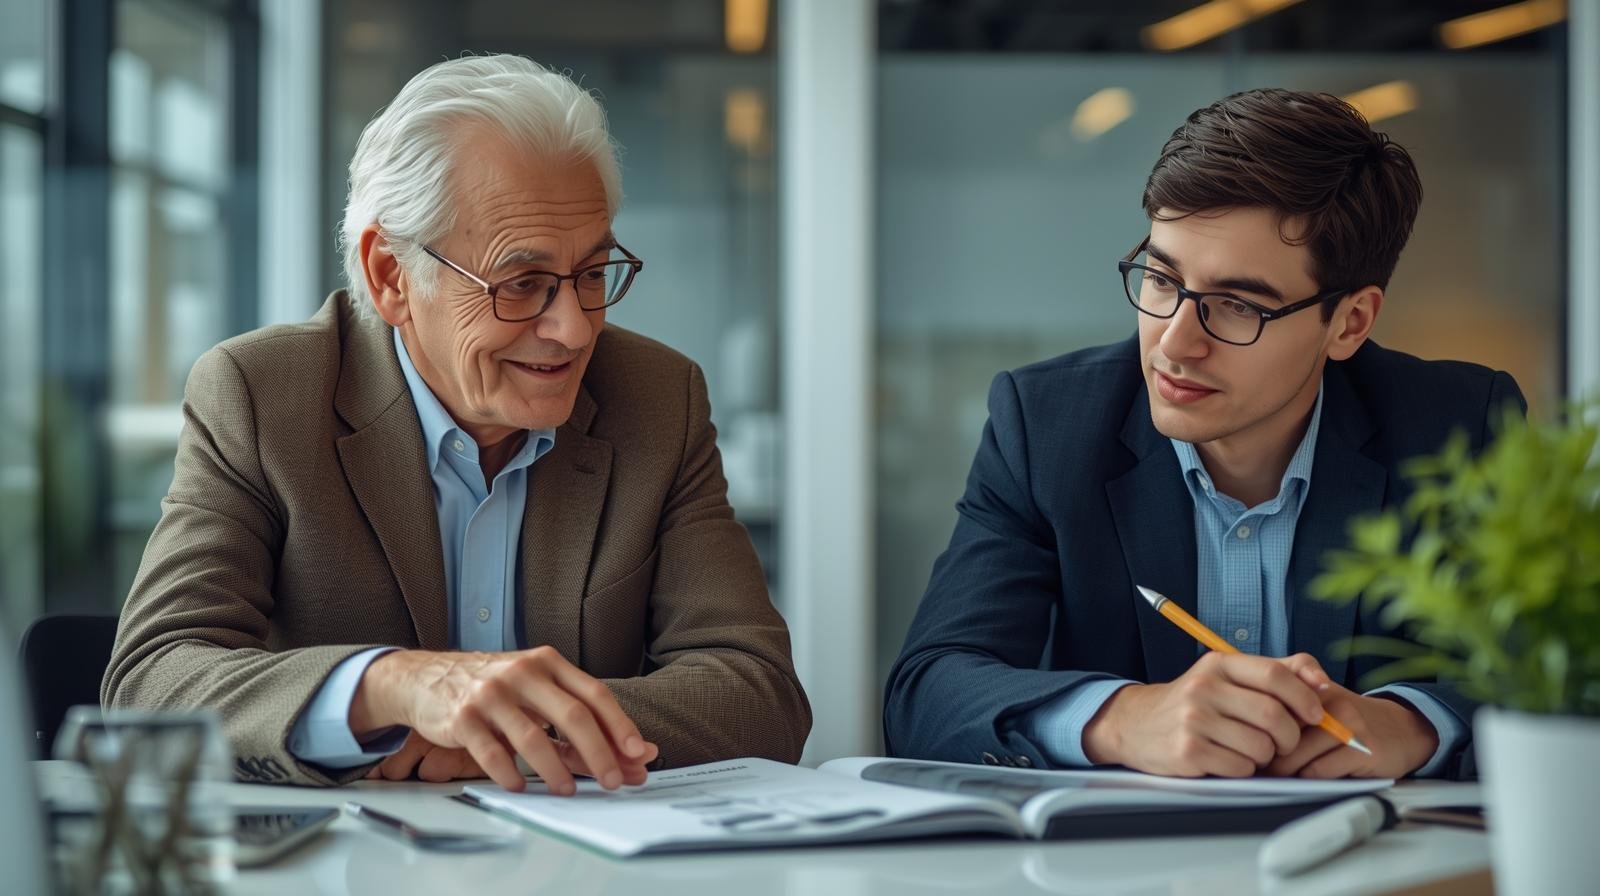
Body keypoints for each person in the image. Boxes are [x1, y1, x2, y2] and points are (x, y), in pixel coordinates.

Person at [103, 55, 810, 791]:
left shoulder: (658, 399)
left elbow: (758, 692)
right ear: (390, 277)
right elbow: (152, 681)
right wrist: (391, 685)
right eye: (523, 284)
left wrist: (509, 732)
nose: (572, 329)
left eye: (593, 275)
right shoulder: (263, 397)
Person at [884, 88, 1523, 781]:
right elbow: (926, 693)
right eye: (1162, 278)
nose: (1176, 345)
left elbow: (1562, 678)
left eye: (1237, 305)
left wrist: (1413, 724)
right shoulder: (1046, 426)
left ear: (1350, 323)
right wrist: (1123, 719)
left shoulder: (1459, 427)